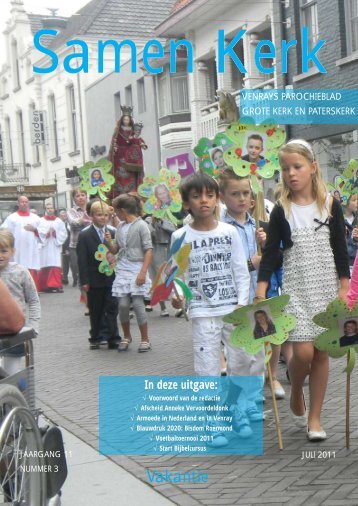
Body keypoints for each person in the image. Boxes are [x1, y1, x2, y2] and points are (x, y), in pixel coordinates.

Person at [255, 139, 350, 442]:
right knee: (303, 351)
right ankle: (296, 386)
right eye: (285, 169)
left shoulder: (329, 205)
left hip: (327, 286)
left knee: (321, 354)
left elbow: (339, 249)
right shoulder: (282, 210)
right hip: (296, 285)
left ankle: (315, 418)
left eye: (297, 167)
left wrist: (345, 287)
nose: (291, 173)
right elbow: (271, 252)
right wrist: (261, 289)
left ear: (312, 167)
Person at [171, 172, 251, 445]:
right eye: (196, 196)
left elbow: (240, 270)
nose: (203, 201)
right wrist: (179, 296)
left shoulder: (229, 232)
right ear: (186, 203)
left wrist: (242, 303)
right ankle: (212, 418)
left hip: (232, 309)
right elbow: (176, 276)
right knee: (207, 368)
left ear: (217, 199)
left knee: (240, 363)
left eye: (209, 195)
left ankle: (234, 409)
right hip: (203, 311)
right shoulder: (180, 236)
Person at [219, 170, 267, 428]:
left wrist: (267, 244)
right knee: (238, 358)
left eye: (246, 193)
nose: (241, 199)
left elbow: (271, 262)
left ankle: (252, 401)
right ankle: (239, 406)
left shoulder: (257, 225)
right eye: (235, 194)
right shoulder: (222, 229)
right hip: (235, 304)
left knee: (258, 355)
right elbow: (225, 269)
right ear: (223, 197)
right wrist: (251, 263)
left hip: (258, 300)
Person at [106, 194, 153, 352]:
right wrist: (108, 242)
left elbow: (148, 250)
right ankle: (127, 336)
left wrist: (143, 272)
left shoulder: (141, 226)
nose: (115, 215)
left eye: (116, 211)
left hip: (137, 267)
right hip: (123, 268)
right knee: (123, 305)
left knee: (138, 304)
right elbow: (116, 249)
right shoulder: (120, 227)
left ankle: (145, 339)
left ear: (123, 210)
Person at [77, 201, 120, 350]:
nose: (103, 218)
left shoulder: (113, 232)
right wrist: (84, 280)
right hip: (94, 277)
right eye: (99, 215)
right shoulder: (85, 234)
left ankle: (113, 337)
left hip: (111, 277)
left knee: (112, 308)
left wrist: (110, 242)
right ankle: (95, 336)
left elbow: (118, 253)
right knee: (96, 309)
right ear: (92, 216)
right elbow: (81, 259)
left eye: (106, 215)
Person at [0, 229, 40, 375]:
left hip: (14, 332)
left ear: (12, 251)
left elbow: (33, 300)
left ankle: (20, 391)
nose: (0, 255)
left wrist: (33, 325)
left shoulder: (21, 272)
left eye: (4, 251)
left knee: (11, 375)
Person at [1, 195, 41, 289]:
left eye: (26, 202)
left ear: (28, 203)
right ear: (18, 203)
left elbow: (43, 231)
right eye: (22, 202)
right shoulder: (12, 218)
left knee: (31, 266)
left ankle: (32, 289)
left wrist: (35, 229)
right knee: (17, 266)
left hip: (31, 248)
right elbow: (4, 231)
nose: (24, 203)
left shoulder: (35, 218)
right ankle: (18, 288)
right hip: (18, 248)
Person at [108, 109, 146, 197]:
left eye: (127, 120)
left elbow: (137, 140)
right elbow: (114, 141)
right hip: (120, 155)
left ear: (130, 121)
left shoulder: (133, 131)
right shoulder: (118, 131)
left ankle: (134, 190)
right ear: (122, 120)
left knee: (132, 175)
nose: (126, 121)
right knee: (121, 175)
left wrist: (140, 144)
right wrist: (114, 148)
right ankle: (120, 192)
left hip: (131, 156)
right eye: (124, 120)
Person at [145, 216, 176, 316]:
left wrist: (162, 222)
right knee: (156, 279)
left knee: (169, 277)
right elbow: (147, 233)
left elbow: (173, 231)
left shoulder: (168, 218)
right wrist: (153, 223)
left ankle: (178, 304)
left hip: (166, 249)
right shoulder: (147, 220)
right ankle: (163, 307)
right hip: (153, 250)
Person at [38, 203, 67, 293]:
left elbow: (64, 233)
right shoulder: (40, 221)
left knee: (55, 264)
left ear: (54, 209)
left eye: (51, 208)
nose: (50, 209)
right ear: (45, 209)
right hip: (45, 246)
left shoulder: (59, 221)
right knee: (45, 264)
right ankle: (44, 285)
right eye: (48, 208)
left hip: (55, 246)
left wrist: (55, 233)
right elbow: (38, 233)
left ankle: (55, 285)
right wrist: (46, 234)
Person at [67, 189, 91, 287]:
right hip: (76, 244)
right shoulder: (71, 211)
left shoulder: (93, 208)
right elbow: (74, 223)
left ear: (86, 196)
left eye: (82, 195)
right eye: (77, 196)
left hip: (90, 243)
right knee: (77, 268)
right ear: (74, 198)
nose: (80, 197)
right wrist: (86, 217)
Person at [343, 194, 358, 271]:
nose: (357, 202)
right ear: (347, 202)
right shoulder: (339, 219)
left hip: (355, 261)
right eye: (354, 200)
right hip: (344, 261)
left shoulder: (356, 219)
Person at [58, 209, 72, 285]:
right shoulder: (59, 224)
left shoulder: (69, 224)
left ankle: (75, 278)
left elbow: (69, 237)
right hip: (62, 246)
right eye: (62, 215)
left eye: (65, 215)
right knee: (64, 264)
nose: (64, 217)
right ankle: (64, 278)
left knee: (72, 264)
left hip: (69, 246)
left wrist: (67, 248)